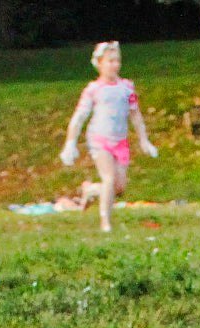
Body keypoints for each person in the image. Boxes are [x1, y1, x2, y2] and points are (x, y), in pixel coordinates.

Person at [59, 40, 157, 234]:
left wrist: (144, 140)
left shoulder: (127, 87)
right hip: (99, 140)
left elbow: (135, 115)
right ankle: (106, 223)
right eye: (110, 61)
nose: (115, 65)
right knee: (109, 178)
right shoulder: (93, 89)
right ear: (100, 63)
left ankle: (92, 190)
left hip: (120, 141)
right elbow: (79, 117)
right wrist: (70, 143)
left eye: (117, 60)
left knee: (118, 187)